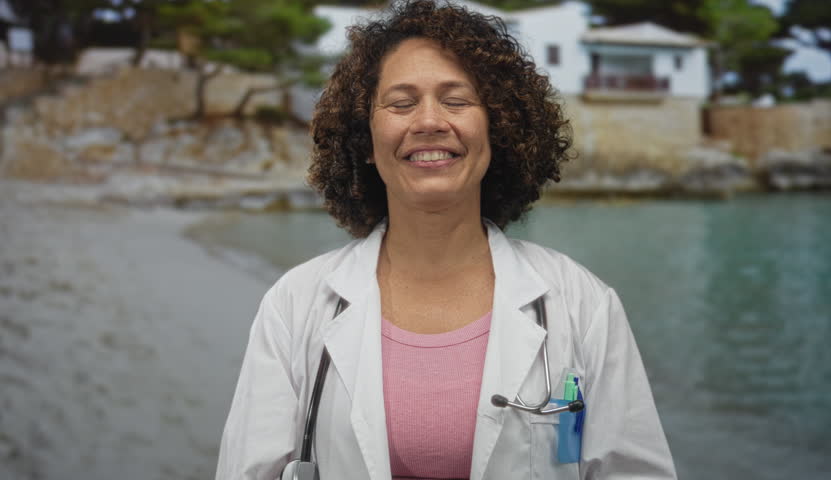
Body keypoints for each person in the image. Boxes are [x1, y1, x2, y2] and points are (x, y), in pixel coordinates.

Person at [215, 1, 676, 479]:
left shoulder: (584, 305)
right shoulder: (294, 306)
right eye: (401, 102)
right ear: (365, 138)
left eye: (456, 100)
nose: (430, 120)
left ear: (497, 128)